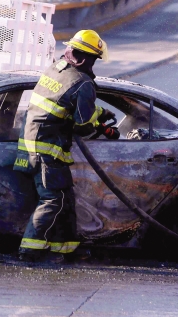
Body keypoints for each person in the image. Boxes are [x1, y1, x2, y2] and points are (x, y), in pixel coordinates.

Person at [15, 30, 116, 262]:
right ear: (86, 58)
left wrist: (99, 113)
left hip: (30, 146)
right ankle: (29, 250)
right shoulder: (83, 84)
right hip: (46, 152)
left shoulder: (55, 69)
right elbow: (82, 124)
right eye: (94, 59)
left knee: (65, 198)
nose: (94, 65)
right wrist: (104, 129)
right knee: (52, 199)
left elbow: (63, 104)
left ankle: (66, 248)